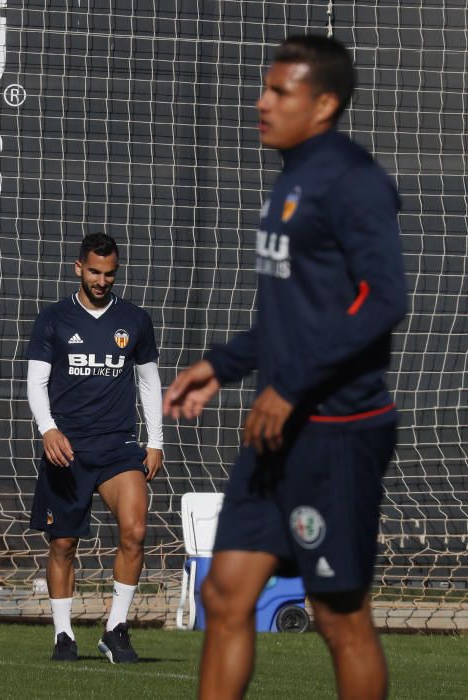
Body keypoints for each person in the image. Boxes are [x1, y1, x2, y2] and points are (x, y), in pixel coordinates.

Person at [164, 35, 407, 699]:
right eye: (263, 88)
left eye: (279, 92)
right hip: (276, 432)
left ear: (324, 103)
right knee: (225, 592)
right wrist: (221, 363)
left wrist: (293, 385)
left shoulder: (353, 180)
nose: (261, 102)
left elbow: (385, 298)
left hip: (335, 432)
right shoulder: (291, 175)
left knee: (338, 616)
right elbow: (294, 316)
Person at [27, 232, 163, 663]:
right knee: (64, 544)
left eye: (109, 273)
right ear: (78, 269)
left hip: (119, 447)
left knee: (136, 531)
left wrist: (156, 441)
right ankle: (64, 635)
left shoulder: (136, 320)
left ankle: (116, 629)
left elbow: (149, 383)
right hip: (67, 449)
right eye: (94, 272)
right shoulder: (53, 320)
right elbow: (36, 381)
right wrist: (48, 429)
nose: (102, 280)